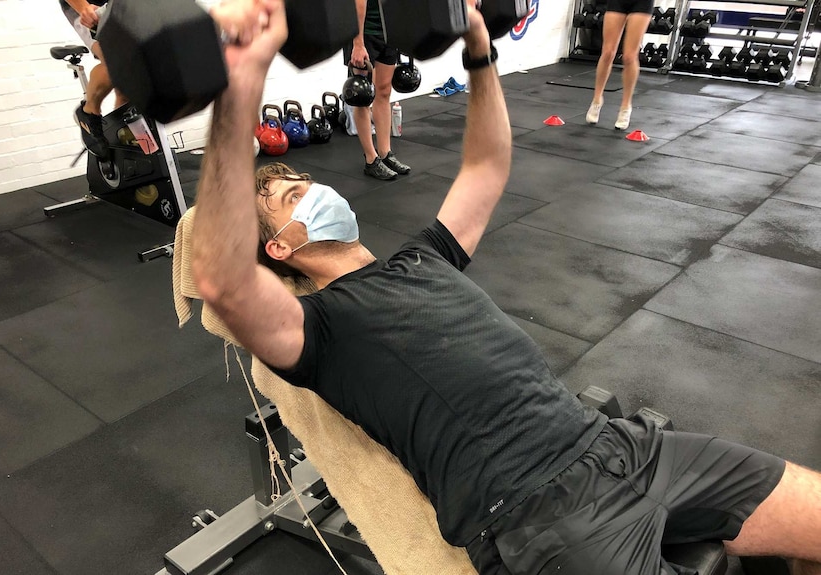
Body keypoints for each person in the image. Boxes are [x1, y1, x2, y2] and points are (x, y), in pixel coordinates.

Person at [191, 1, 821, 574]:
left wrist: (479, 48)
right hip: (541, 520)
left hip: (626, 447)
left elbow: (486, 167)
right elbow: (220, 278)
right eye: (294, 197)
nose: (318, 191)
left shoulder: (423, 256)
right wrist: (242, 81)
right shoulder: (314, 330)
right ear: (281, 248)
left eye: (307, 182)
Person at [343, 0, 411, 180]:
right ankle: (371, 160)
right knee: (362, 96)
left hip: (387, 32)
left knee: (383, 91)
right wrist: (358, 43)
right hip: (364, 35)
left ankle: (385, 153)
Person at [59, 0, 127, 159]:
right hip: (90, 8)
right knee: (116, 61)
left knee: (127, 85)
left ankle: (125, 143)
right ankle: (89, 111)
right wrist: (84, 8)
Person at [585, 0, 654, 130]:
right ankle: (597, 99)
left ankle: (626, 106)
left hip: (642, 3)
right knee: (607, 53)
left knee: (629, 56)